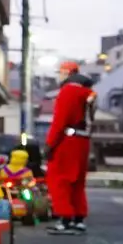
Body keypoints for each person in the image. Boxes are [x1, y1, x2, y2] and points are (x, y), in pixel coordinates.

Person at [45, 61, 95, 234]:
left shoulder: (68, 92)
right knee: (78, 181)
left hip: (67, 140)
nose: (59, 76)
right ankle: (78, 219)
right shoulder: (87, 92)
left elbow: (60, 121)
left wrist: (50, 144)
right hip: (83, 141)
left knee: (59, 179)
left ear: (67, 73)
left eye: (60, 72)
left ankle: (64, 219)